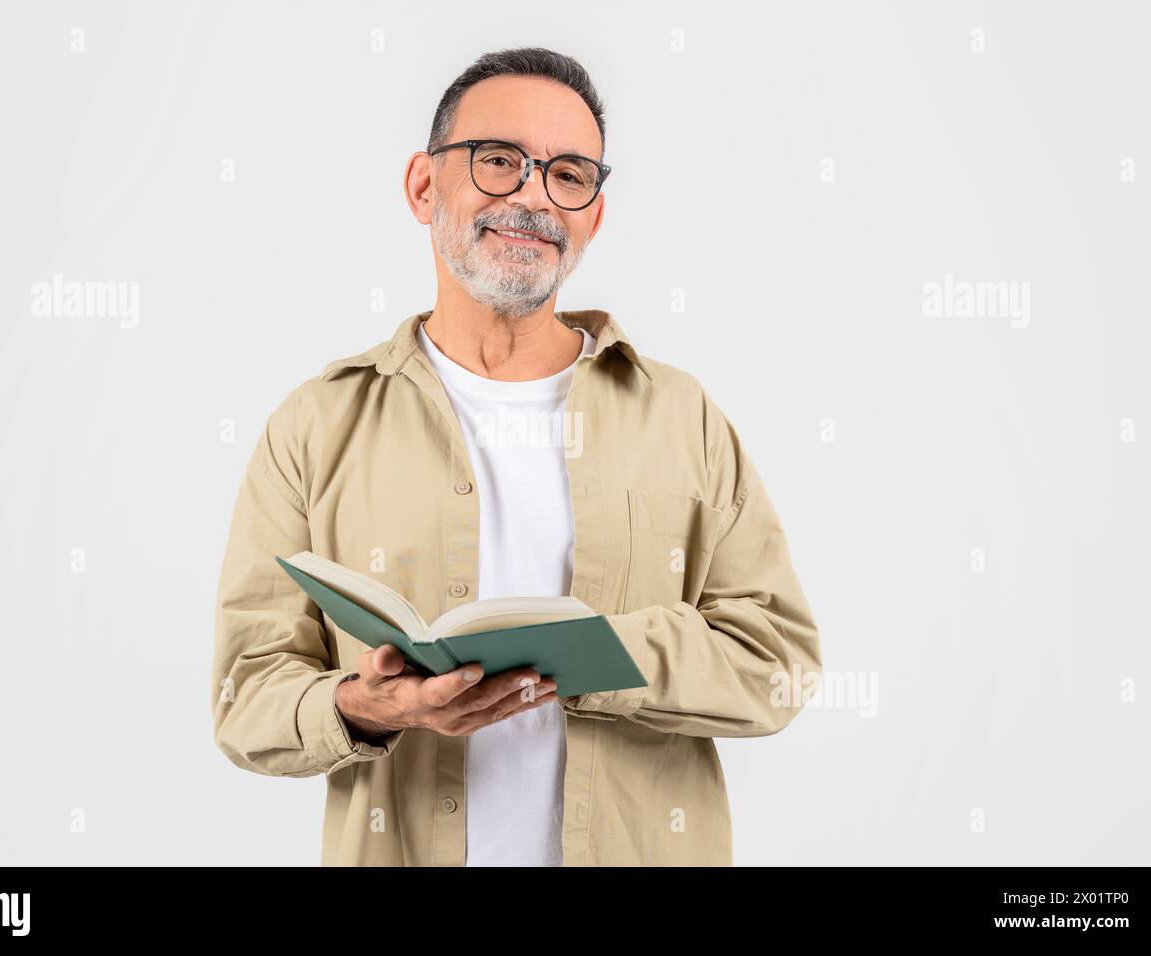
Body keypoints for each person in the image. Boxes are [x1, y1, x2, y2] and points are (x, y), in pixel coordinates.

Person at [212, 46, 821, 866]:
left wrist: (597, 656)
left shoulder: (682, 415)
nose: (534, 195)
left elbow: (777, 664)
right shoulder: (316, 424)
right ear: (425, 186)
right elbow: (246, 700)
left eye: (569, 175)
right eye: (499, 162)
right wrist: (371, 706)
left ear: (592, 216)